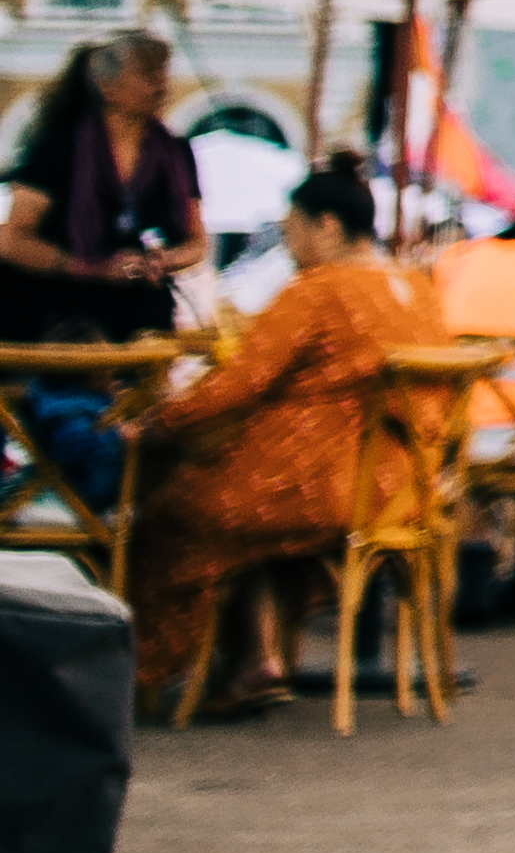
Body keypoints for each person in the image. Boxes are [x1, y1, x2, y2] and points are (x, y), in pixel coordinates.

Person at [118, 160, 429, 709]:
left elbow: (241, 380)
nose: (290, 248)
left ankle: (140, 678)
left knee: (180, 511)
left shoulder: (321, 290)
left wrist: (159, 423)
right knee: (241, 514)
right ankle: (258, 660)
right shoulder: (414, 286)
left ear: (325, 226)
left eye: (291, 233)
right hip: (400, 488)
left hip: (324, 485)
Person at [0, 35, 205, 493]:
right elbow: (12, 241)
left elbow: (196, 243)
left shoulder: (174, 153)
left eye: (163, 73)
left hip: (135, 319)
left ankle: (110, 511)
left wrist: (162, 260)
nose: (160, 84)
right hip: (55, 319)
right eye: (147, 74)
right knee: (70, 420)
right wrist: (88, 266)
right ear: (109, 86)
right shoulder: (59, 146)